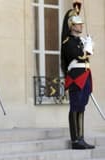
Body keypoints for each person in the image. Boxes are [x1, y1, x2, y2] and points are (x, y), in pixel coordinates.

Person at [61, 1, 95, 149]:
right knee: (75, 107)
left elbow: (87, 56)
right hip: (76, 76)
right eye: (78, 24)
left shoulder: (80, 41)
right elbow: (77, 55)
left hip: (85, 75)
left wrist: (88, 44)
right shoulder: (68, 42)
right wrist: (87, 48)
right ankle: (75, 140)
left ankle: (81, 137)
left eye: (81, 23)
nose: (81, 26)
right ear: (71, 26)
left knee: (82, 107)